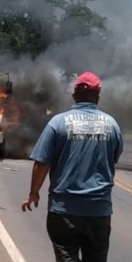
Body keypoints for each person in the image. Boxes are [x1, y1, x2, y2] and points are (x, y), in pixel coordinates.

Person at [21, 71, 124, 262]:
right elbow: (113, 158)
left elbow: (42, 162)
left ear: (74, 95)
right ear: (98, 97)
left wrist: (33, 193)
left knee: (66, 257)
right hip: (98, 211)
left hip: (63, 211)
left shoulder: (57, 123)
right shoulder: (112, 125)